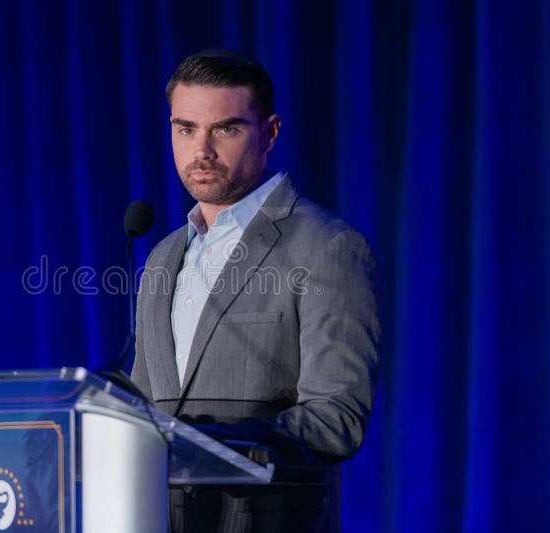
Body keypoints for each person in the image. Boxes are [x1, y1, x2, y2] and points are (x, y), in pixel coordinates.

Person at [131, 49, 381, 533]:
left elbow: (337, 420)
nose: (201, 149)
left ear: (270, 132)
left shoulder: (329, 246)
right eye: (185, 128)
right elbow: (146, 410)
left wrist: (202, 443)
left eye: (225, 128)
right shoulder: (162, 257)